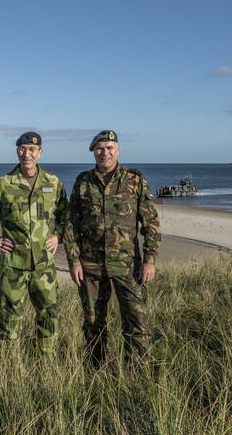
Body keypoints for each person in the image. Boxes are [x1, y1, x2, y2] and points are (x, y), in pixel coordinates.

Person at [63, 130, 160, 365]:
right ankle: (97, 372)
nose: (104, 152)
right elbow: (70, 224)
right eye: (100, 148)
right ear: (93, 152)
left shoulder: (134, 180)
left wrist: (150, 260)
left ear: (118, 150)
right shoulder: (83, 182)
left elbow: (151, 222)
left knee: (136, 321)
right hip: (91, 267)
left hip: (128, 267)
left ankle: (137, 373)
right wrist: (74, 261)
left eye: (109, 148)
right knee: (93, 324)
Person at [0, 131, 68, 352]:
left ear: (40, 153)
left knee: (49, 315)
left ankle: (47, 363)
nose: (27, 154)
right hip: (13, 265)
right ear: (17, 152)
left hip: (44, 265)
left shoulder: (53, 182)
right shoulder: (3, 184)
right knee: (9, 318)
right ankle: (9, 365)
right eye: (22, 149)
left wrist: (58, 235)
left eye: (32, 149)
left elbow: (65, 214)